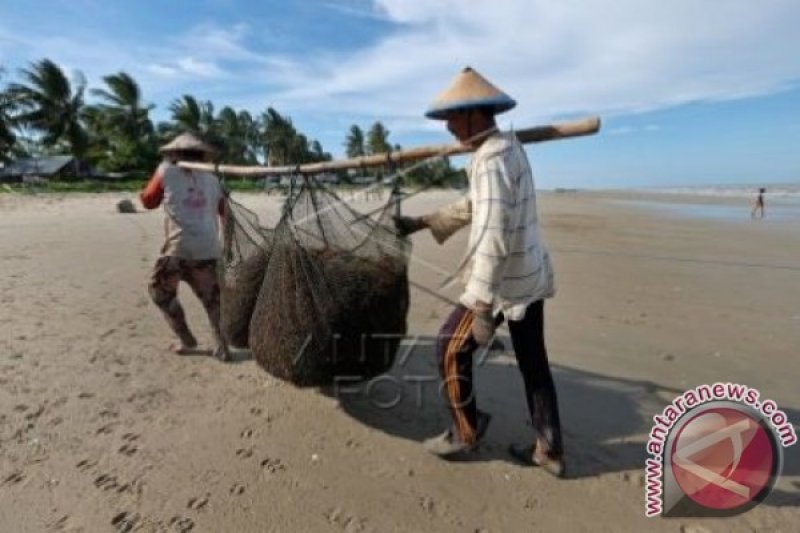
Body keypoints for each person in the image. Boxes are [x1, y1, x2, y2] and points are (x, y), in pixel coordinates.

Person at [394, 67, 566, 476]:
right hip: (529, 277)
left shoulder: (489, 160)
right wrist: (423, 222)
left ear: (475, 115)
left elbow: (492, 235)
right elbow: (477, 207)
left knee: (448, 348)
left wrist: (484, 306)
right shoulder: (509, 146)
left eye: (453, 119)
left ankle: (464, 430)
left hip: (503, 283)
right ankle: (550, 449)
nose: (450, 128)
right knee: (533, 363)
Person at [140, 133, 230, 361]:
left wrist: (146, 193)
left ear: (175, 154)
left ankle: (186, 338)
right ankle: (222, 346)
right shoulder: (213, 178)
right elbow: (224, 212)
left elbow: (148, 201)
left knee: (160, 292)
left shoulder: (165, 170)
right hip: (208, 248)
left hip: (178, 250)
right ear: (202, 155)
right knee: (212, 300)